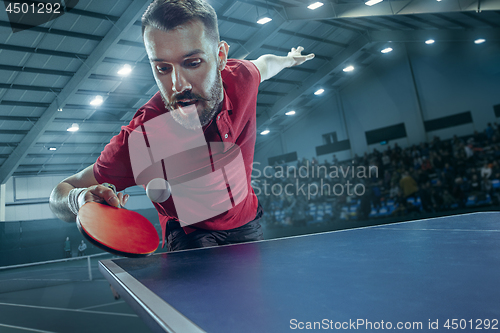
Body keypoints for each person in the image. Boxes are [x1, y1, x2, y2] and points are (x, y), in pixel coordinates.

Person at [49, 0, 314, 252]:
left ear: (220, 56)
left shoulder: (241, 79)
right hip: (191, 234)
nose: (178, 85)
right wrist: (80, 199)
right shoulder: (144, 135)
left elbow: (265, 64)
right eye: (162, 68)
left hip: (246, 222)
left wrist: (290, 59)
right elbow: (61, 192)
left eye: (193, 63)